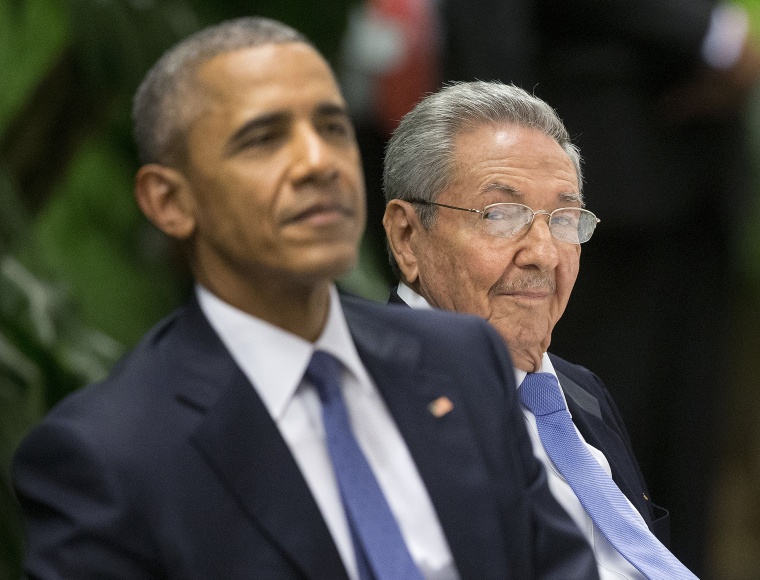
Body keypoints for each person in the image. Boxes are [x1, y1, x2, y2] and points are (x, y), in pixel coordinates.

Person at [11, 17, 598, 580]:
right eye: (263, 139)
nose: (318, 163)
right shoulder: (110, 455)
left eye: (332, 127)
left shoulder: (459, 360)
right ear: (170, 201)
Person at [435, 2, 760, 573]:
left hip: (690, 176)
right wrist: (711, 32)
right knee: (588, 425)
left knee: (675, 453)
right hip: (599, 158)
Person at [383, 80, 697, 579]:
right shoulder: (370, 391)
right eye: (502, 215)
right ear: (406, 236)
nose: (545, 255)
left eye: (564, 219)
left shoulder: (581, 392)